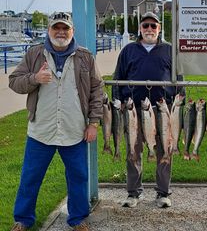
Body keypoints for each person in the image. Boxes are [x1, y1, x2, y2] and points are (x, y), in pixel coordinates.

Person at [9, 12, 104, 231]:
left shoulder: (85, 57)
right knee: (30, 178)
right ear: (49, 30)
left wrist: (94, 122)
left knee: (78, 177)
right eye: (56, 28)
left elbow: (97, 89)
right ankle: (23, 219)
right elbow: (14, 82)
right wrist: (35, 78)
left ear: (72, 31)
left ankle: (78, 219)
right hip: (41, 131)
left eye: (65, 28)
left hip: (74, 130)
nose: (61, 32)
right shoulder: (34, 54)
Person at [113, 12, 183, 209]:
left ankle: (163, 192)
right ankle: (134, 192)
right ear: (140, 28)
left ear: (159, 28)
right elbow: (118, 78)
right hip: (134, 109)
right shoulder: (128, 50)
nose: (149, 29)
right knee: (133, 150)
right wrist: (118, 101)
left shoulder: (169, 50)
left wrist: (180, 100)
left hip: (162, 109)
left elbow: (179, 77)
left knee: (164, 150)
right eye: (145, 25)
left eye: (153, 25)